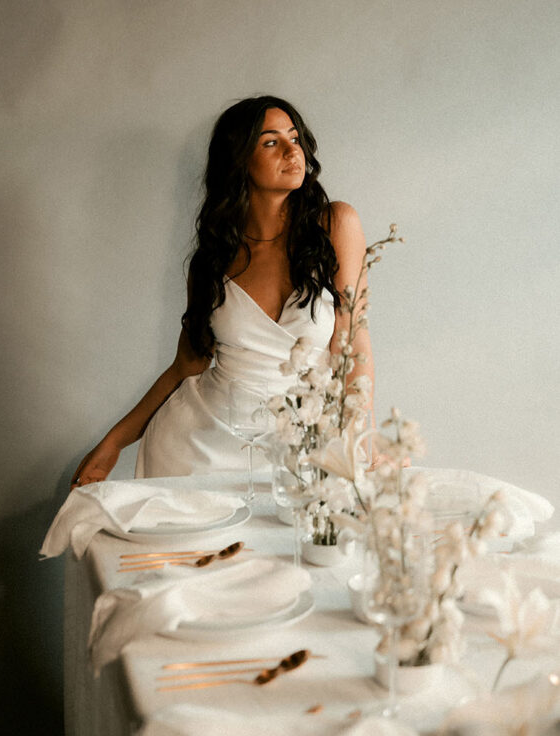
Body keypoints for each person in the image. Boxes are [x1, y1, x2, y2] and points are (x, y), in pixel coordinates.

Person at [70, 95, 373, 487]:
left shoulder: (336, 224)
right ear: (239, 161)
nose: (291, 150)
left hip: (307, 444)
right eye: (270, 142)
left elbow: (353, 342)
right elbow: (185, 368)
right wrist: (112, 444)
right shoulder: (212, 263)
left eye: (294, 138)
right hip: (207, 446)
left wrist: (358, 443)